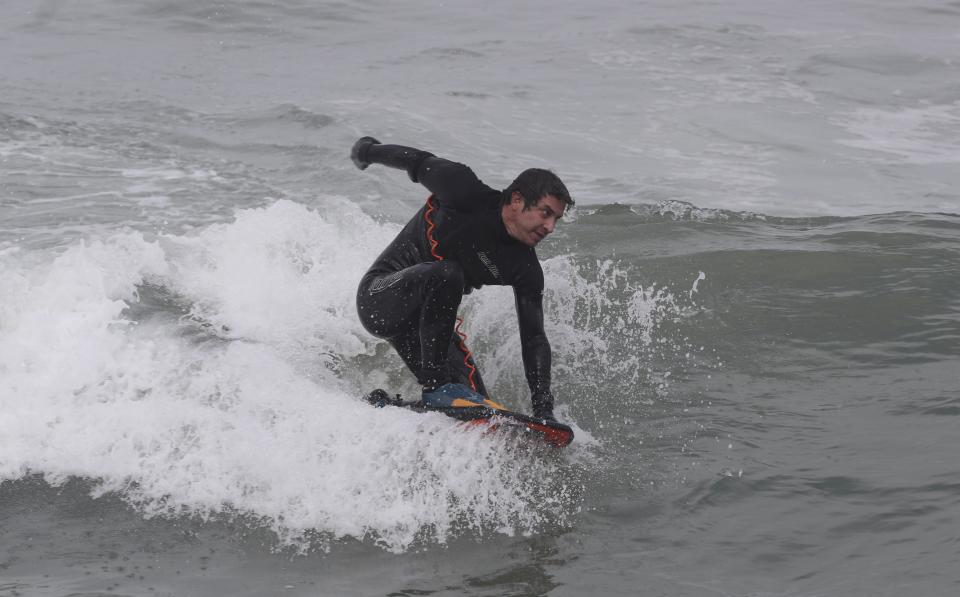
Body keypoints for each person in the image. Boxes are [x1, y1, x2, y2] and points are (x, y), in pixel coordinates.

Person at [351, 136, 572, 422]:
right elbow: (417, 161)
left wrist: (544, 411)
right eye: (546, 213)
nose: (551, 227)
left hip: (426, 328)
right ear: (517, 200)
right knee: (448, 273)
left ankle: (386, 408)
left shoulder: (525, 268)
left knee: (476, 409)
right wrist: (367, 152)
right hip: (379, 298)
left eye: (556, 219)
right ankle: (435, 387)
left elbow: (534, 339)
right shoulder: (463, 190)